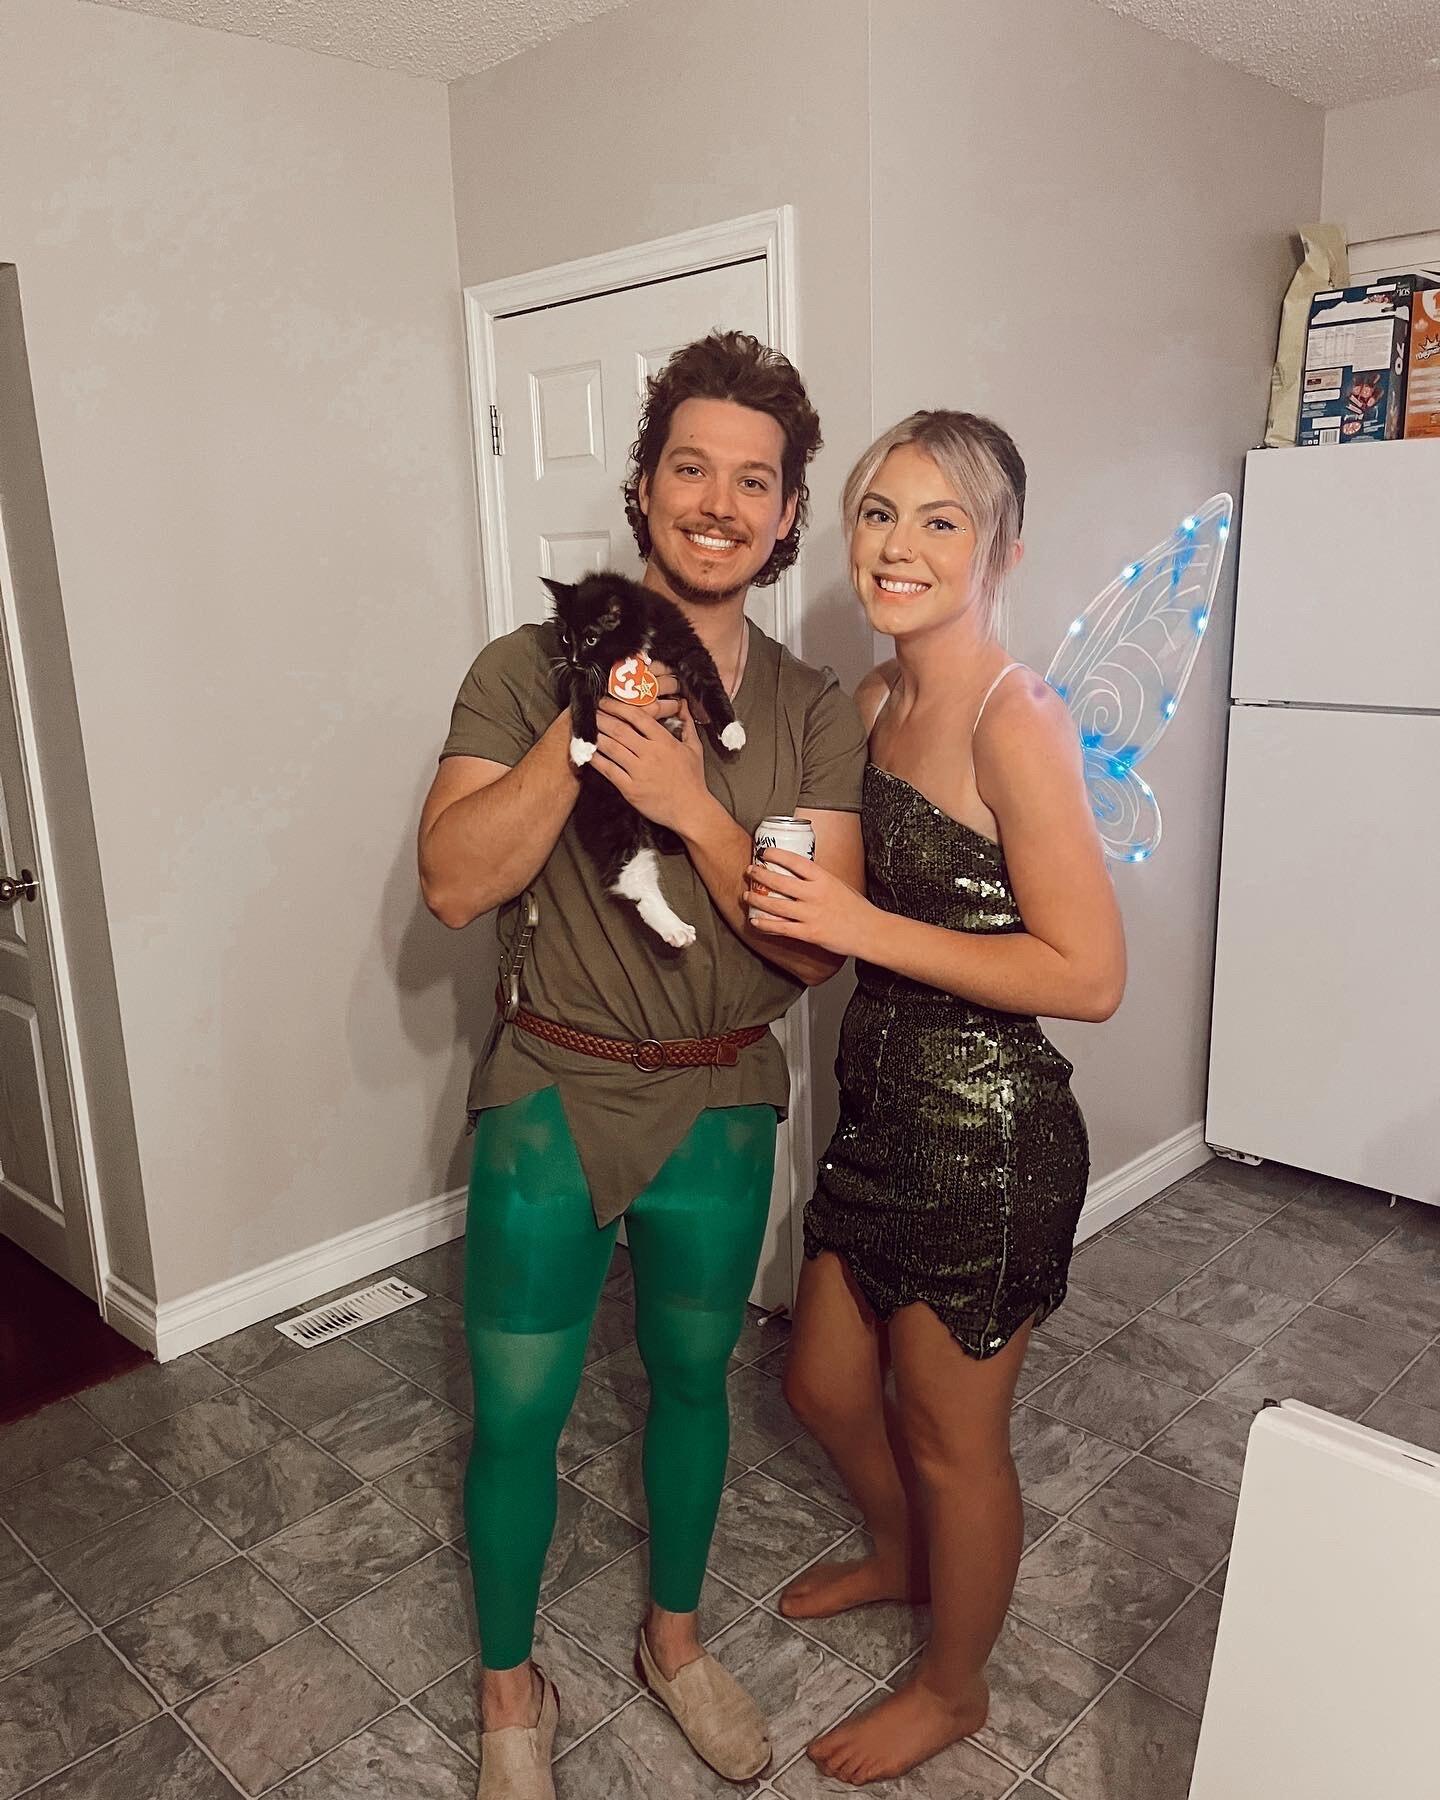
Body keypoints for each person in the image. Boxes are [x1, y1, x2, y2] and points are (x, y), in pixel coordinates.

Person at [418, 332, 866, 1800]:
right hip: (554, 1087)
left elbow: (812, 953)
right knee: (521, 1412)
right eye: (693, 468)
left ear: (790, 513)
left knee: (693, 1381)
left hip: (726, 1100)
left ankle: (672, 1643)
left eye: (756, 480)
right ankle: (508, 1693)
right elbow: (453, 883)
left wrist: (687, 798)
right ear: (645, 486)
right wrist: (583, 738)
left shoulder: (806, 713)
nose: (720, 503)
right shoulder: (518, 668)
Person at [742, 411, 1126, 1786]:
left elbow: (1087, 976)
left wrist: (856, 919)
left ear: (1001, 549)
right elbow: (819, 909)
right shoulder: (870, 701)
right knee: (824, 1382)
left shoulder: (1015, 717)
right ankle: (905, 1558)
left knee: (952, 1436)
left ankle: (954, 1686)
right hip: (881, 1116)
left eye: (939, 520)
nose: (898, 545)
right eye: (878, 514)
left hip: (992, 1131)